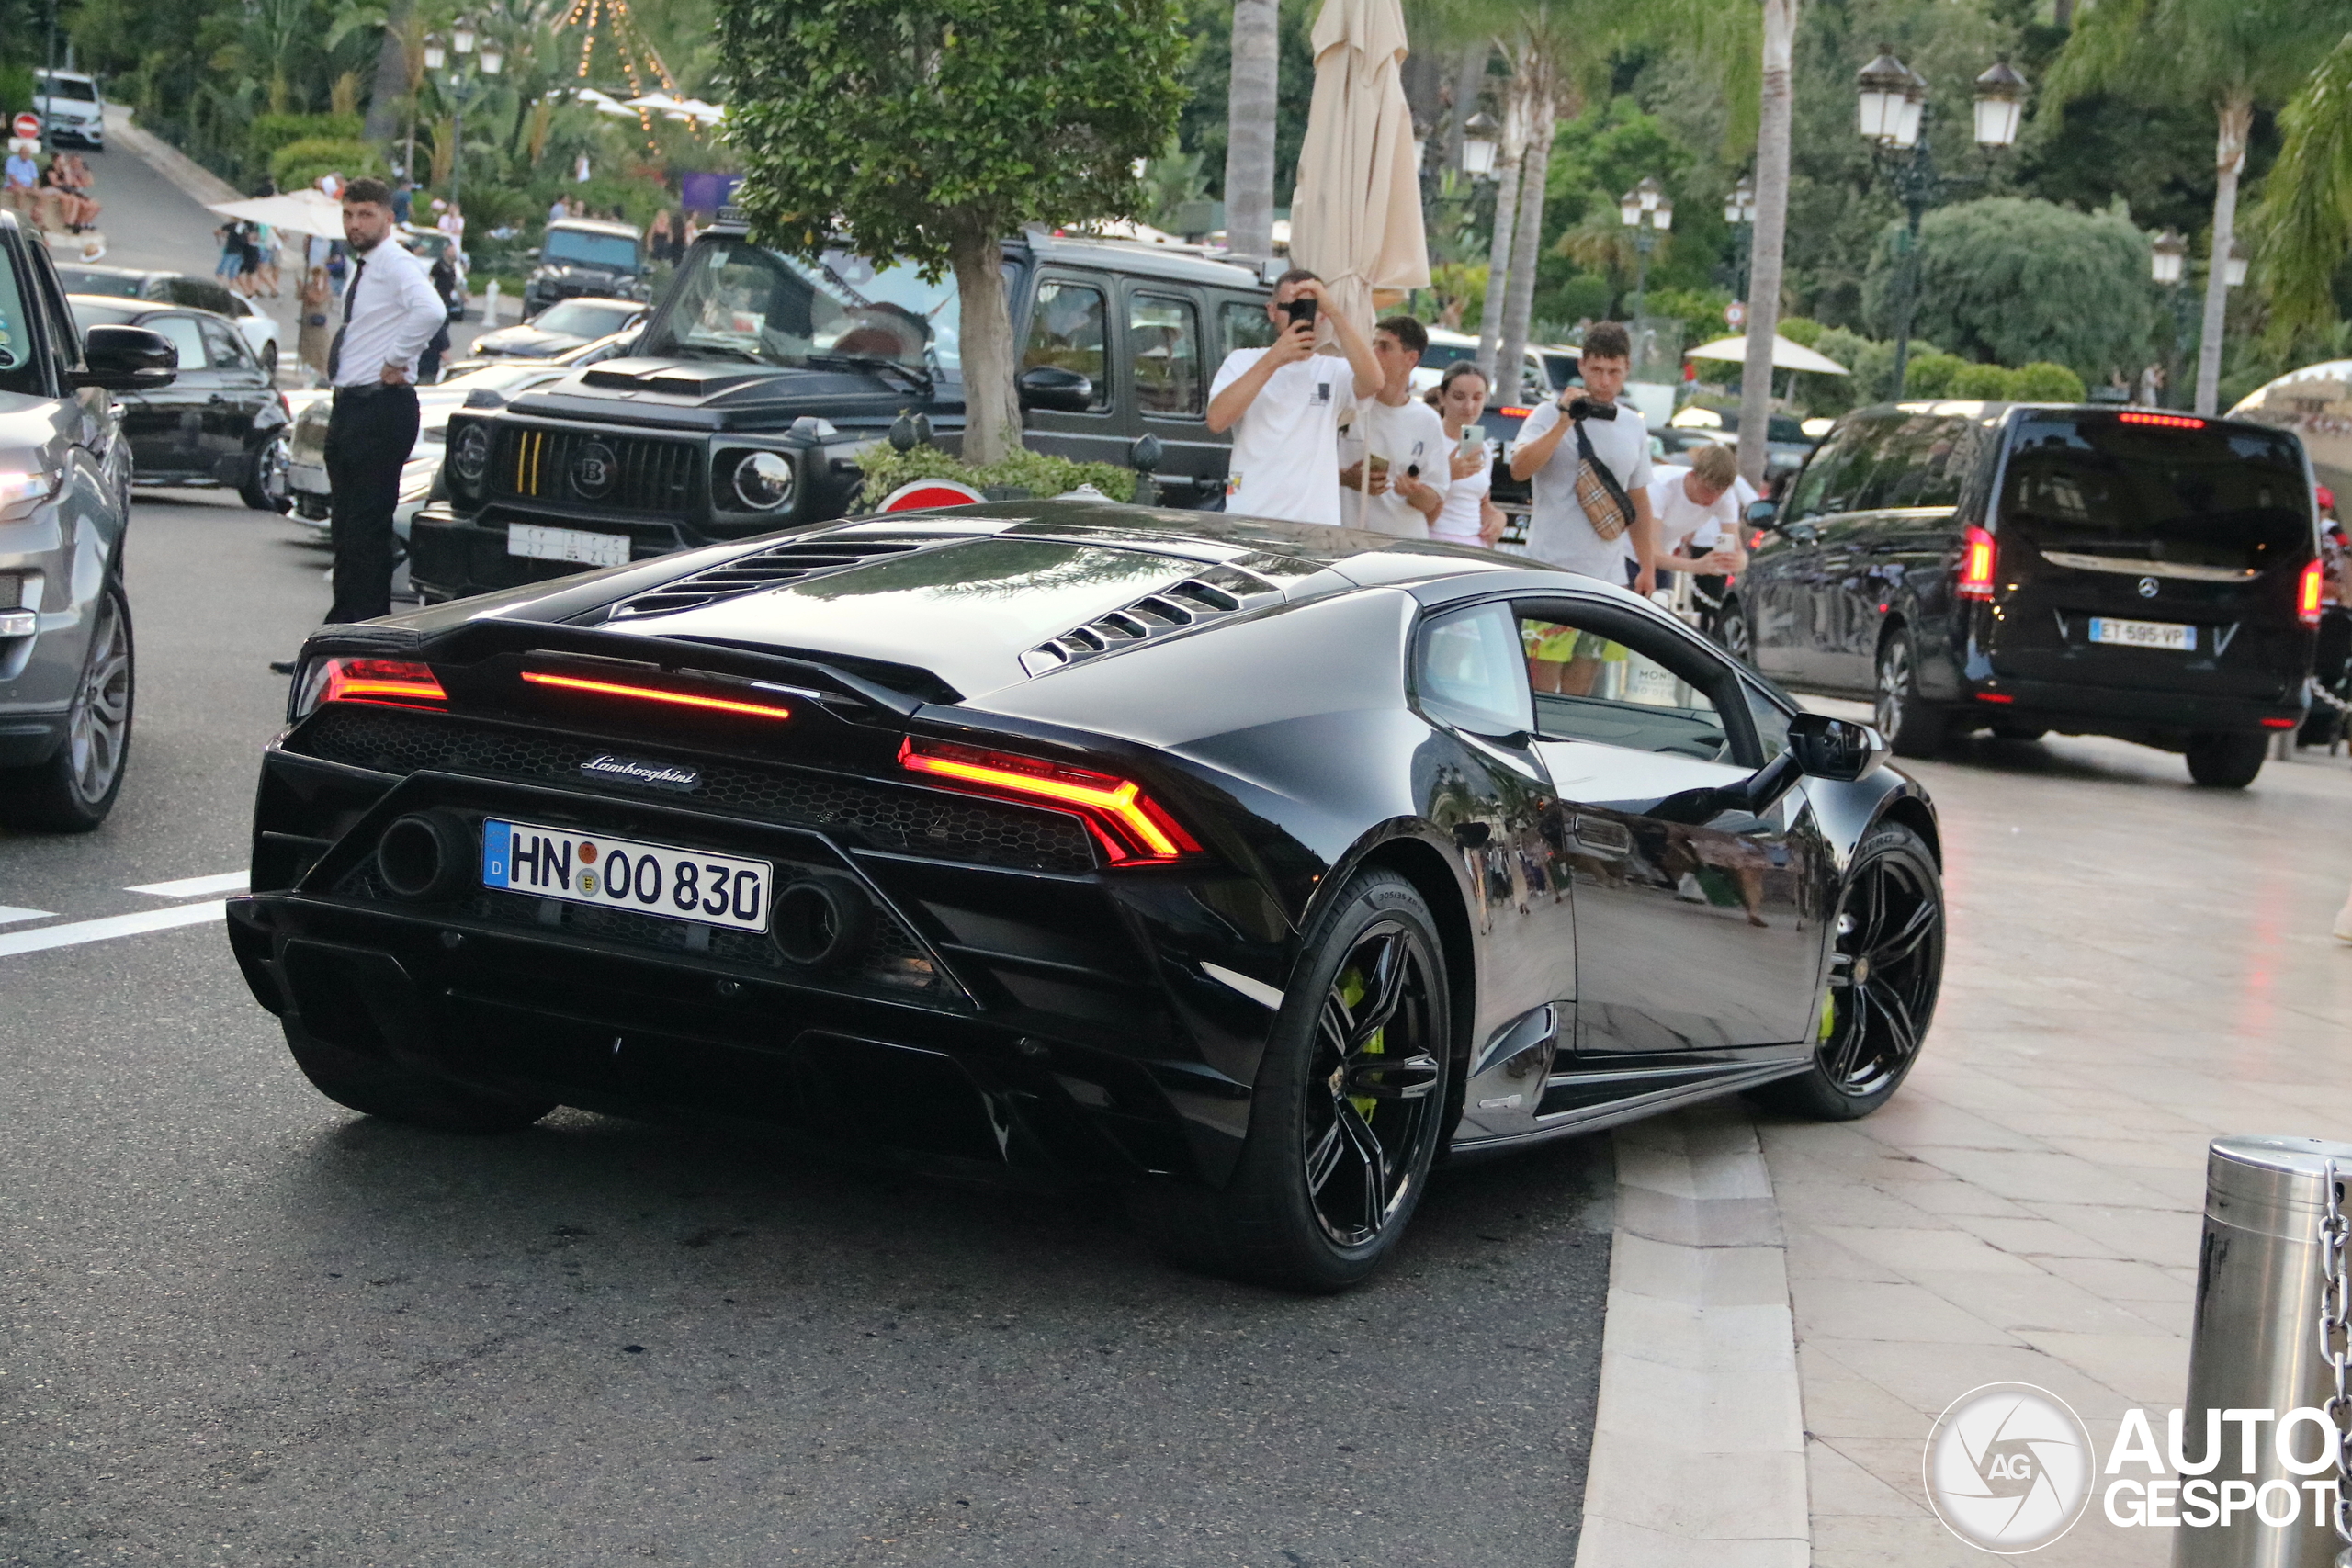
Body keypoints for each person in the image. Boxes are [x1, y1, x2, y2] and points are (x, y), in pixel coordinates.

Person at [316, 176, 447, 627]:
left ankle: (363, 629)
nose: (355, 224)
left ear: (389, 218)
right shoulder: (365, 265)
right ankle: (342, 626)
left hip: (380, 406)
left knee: (366, 529)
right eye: (349, 215)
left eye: (365, 214)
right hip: (352, 405)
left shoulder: (394, 262)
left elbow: (431, 310)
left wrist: (397, 358)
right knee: (347, 528)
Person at [1204, 269, 1381, 525]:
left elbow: (1374, 381)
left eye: (1310, 308)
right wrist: (1275, 358)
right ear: (1272, 311)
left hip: (1314, 525)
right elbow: (1217, 420)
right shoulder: (1243, 361)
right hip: (1251, 517)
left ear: (1321, 316)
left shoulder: (1331, 369)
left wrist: (1334, 312)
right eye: (1292, 308)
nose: (1301, 315)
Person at [1509, 319, 1657, 592]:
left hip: (1609, 575)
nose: (1604, 381)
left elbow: (1639, 501)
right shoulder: (1548, 414)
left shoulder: (1633, 424)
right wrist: (1563, 423)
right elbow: (1519, 469)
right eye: (1596, 370)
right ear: (1581, 366)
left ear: (1627, 369)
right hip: (1549, 567)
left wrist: (1647, 567)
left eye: (1614, 372)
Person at [1336, 314, 1451, 537]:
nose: (1373, 352)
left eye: (1385, 347)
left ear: (1410, 359)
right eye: (1373, 344)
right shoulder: (1346, 405)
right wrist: (1346, 479)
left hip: (1400, 549)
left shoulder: (1427, 420)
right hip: (1342, 542)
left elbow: (1432, 500)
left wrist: (1411, 491)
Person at [1647, 442, 1748, 634]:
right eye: (1707, 490)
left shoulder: (1724, 497)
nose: (1711, 500)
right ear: (1692, 476)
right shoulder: (1662, 485)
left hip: (1665, 555)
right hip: (1628, 550)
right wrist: (1696, 566)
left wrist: (1737, 560)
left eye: (1719, 493)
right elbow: (1648, 552)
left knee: (1656, 628)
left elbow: (1734, 545)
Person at [1424, 363, 1505, 548]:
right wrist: (1447, 474)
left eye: (1477, 398)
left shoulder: (1482, 449)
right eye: (1459, 397)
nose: (1469, 406)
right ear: (1442, 397)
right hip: (1435, 541)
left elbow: (1482, 502)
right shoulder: (1429, 440)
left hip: (1473, 545)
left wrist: (1497, 518)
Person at [296, 264, 333, 383]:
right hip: (307, 323)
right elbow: (299, 297)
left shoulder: (325, 287)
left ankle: (323, 374)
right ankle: (309, 369)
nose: (316, 278)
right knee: (307, 348)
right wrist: (300, 287)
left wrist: (306, 290)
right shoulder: (309, 286)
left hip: (318, 324)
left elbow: (318, 299)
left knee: (321, 350)